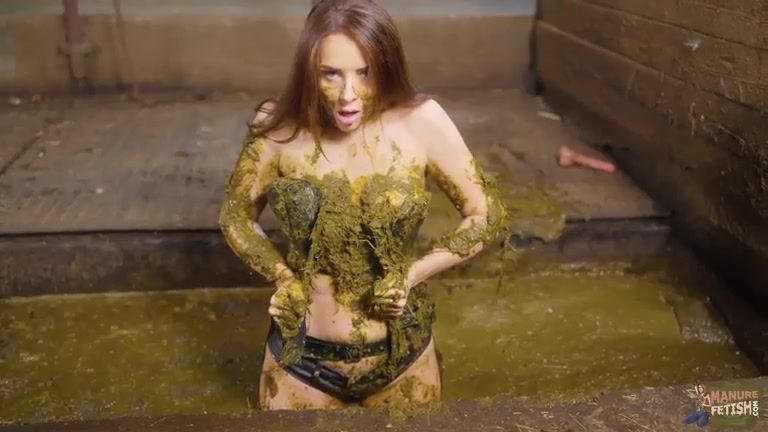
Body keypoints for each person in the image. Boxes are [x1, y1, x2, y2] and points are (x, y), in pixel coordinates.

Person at [219, 0, 507, 410]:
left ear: (386, 66)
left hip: (402, 357)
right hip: (301, 360)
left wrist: (412, 274)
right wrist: (283, 277)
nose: (348, 95)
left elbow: (486, 214)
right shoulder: (277, 126)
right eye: (331, 74)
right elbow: (236, 216)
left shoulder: (422, 121)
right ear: (309, 70)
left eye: (365, 72)